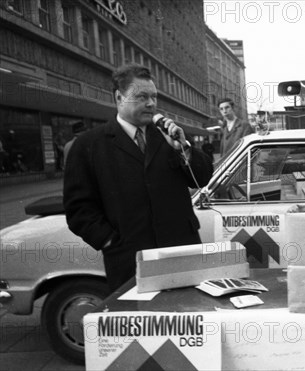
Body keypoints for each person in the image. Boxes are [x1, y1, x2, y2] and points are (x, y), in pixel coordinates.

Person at [63, 64, 213, 291]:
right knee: (140, 320)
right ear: (119, 97)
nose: (151, 103)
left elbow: (202, 178)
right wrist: (110, 241)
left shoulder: (168, 135)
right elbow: (78, 209)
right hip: (129, 260)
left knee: (186, 319)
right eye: (142, 97)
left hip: (181, 252)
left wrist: (183, 148)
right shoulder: (89, 145)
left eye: (154, 97)